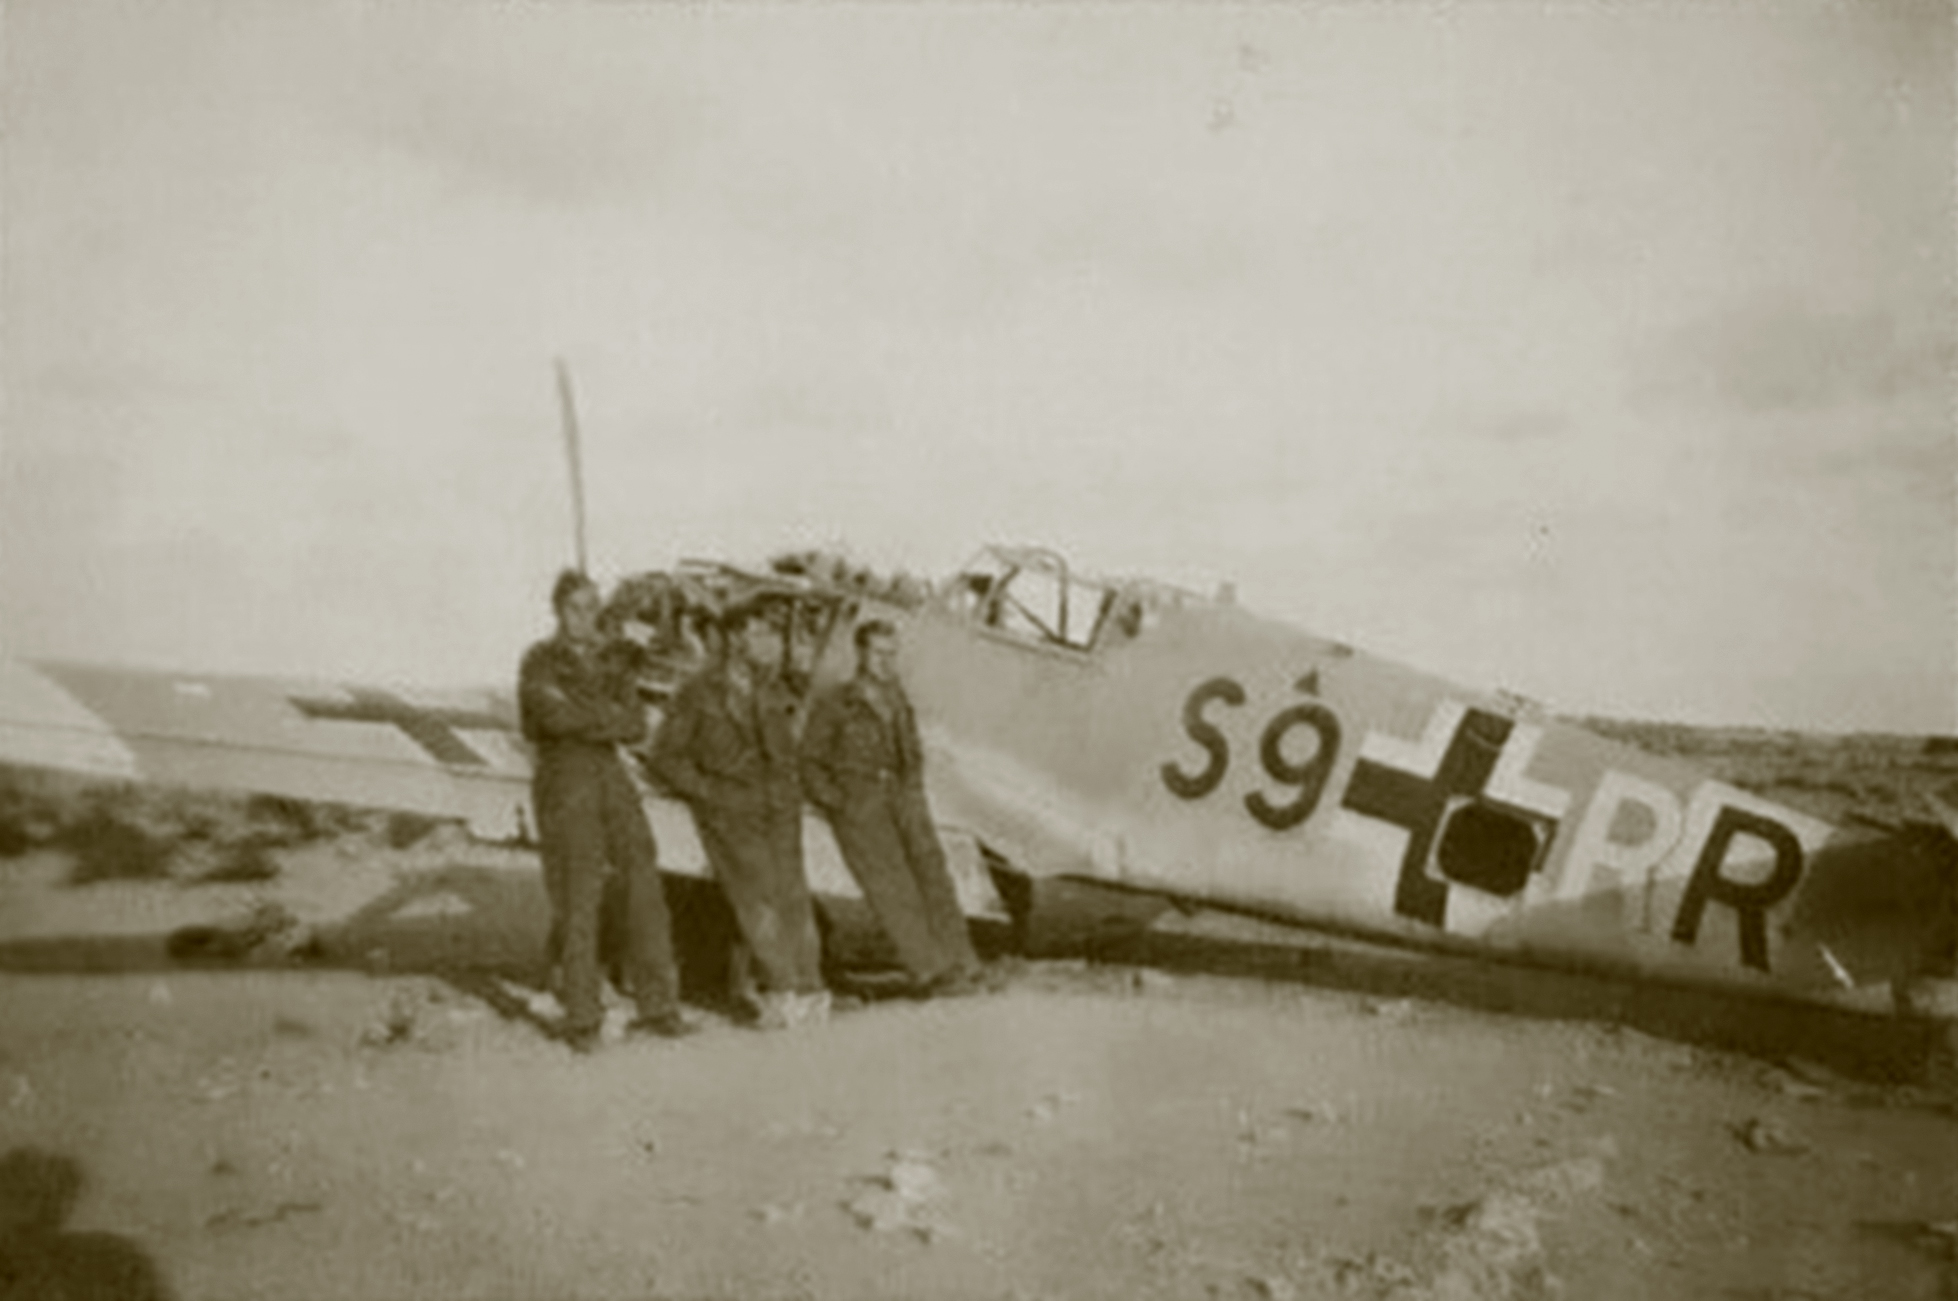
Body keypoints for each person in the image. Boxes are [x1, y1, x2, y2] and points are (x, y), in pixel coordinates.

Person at [518, 568, 692, 1052]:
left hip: (609, 774)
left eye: (592, 608)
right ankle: (582, 1019)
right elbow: (550, 718)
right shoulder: (540, 660)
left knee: (644, 879)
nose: (584, 617)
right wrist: (604, 719)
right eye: (575, 608)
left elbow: (635, 724)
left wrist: (590, 719)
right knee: (580, 894)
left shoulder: (612, 663)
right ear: (558, 610)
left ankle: (659, 1006)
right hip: (565, 777)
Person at [649, 601, 828, 1028]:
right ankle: (784, 991)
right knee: (758, 897)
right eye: (759, 634)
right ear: (733, 638)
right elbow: (665, 757)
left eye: (770, 634)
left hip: (779, 808)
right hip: (731, 809)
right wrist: (711, 792)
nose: (769, 643)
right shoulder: (698, 692)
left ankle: (812, 990)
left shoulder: (774, 690)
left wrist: (790, 793)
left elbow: (787, 752)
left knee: (793, 896)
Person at [800, 619, 984, 998]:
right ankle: (929, 971)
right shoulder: (837, 702)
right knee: (892, 888)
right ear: (861, 653)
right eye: (879, 653)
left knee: (935, 878)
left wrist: (913, 788)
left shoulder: (897, 698)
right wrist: (839, 802)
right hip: (860, 802)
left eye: (892, 653)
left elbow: (911, 749)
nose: (886, 661)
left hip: (904, 799)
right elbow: (808, 761)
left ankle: (963, 962)